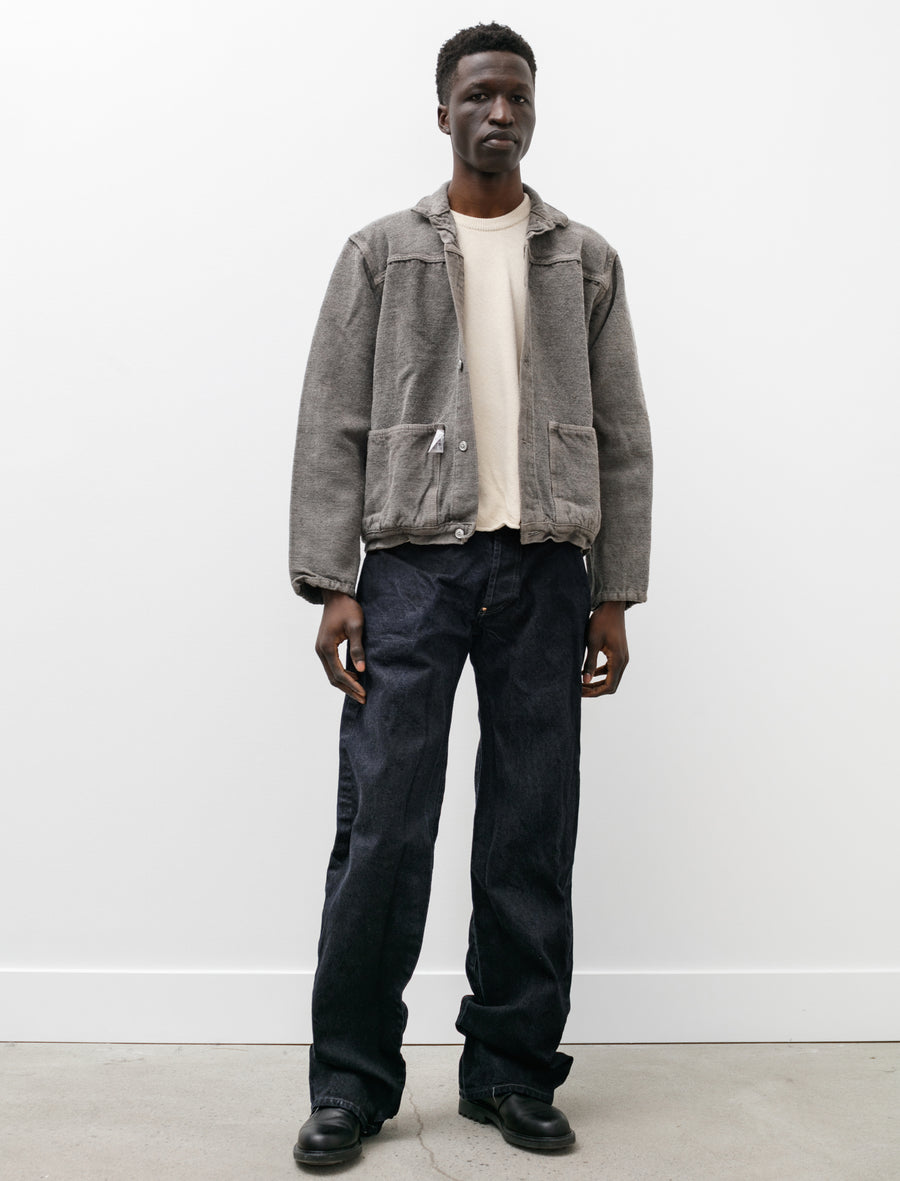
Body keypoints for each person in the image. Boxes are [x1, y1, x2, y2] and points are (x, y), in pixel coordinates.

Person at [288, 22, 652, 1166]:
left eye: (518, 96)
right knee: (384, 828)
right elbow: (332, 419)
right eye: (482, 94)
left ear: (533, 111)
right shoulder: (381, 253)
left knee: (531, 828)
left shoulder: (583, 259)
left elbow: (623, 434)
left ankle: (511, 1072)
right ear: (442, 110)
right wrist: (330, 582)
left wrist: (614, 593)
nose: (502, 113)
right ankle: (351, 1083)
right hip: (411, 568)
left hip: (546, 568)